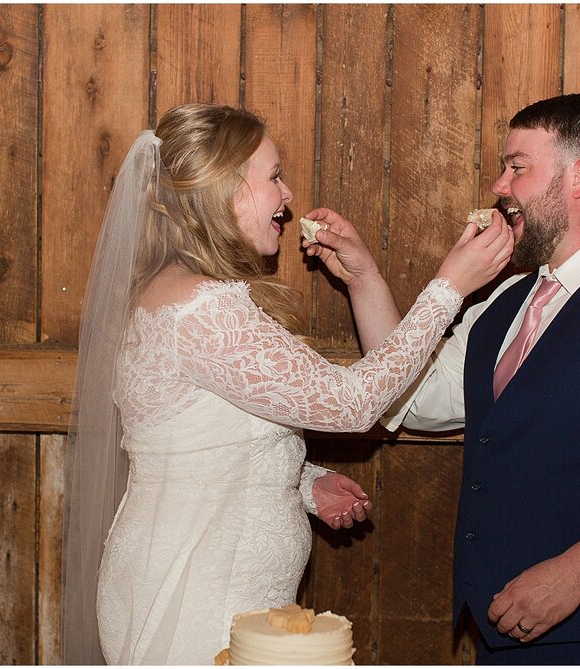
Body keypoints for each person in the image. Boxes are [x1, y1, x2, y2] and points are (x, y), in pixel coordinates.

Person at [61, 103, 514, 665]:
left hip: (189, 572)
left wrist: (299, 481)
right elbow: (351, 406)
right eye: (273, 176)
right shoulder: (203, 309)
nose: (288, 194)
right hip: (199, 597)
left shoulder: (172, 291)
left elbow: (198, 441)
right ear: (226, 191)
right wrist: (449, 287)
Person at [313, 94, 580, 664]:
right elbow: (410, 395)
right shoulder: (507, 300)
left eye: (517, 166)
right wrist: (363, 279)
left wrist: (571, 576)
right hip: (506, 638)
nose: (500, 185)